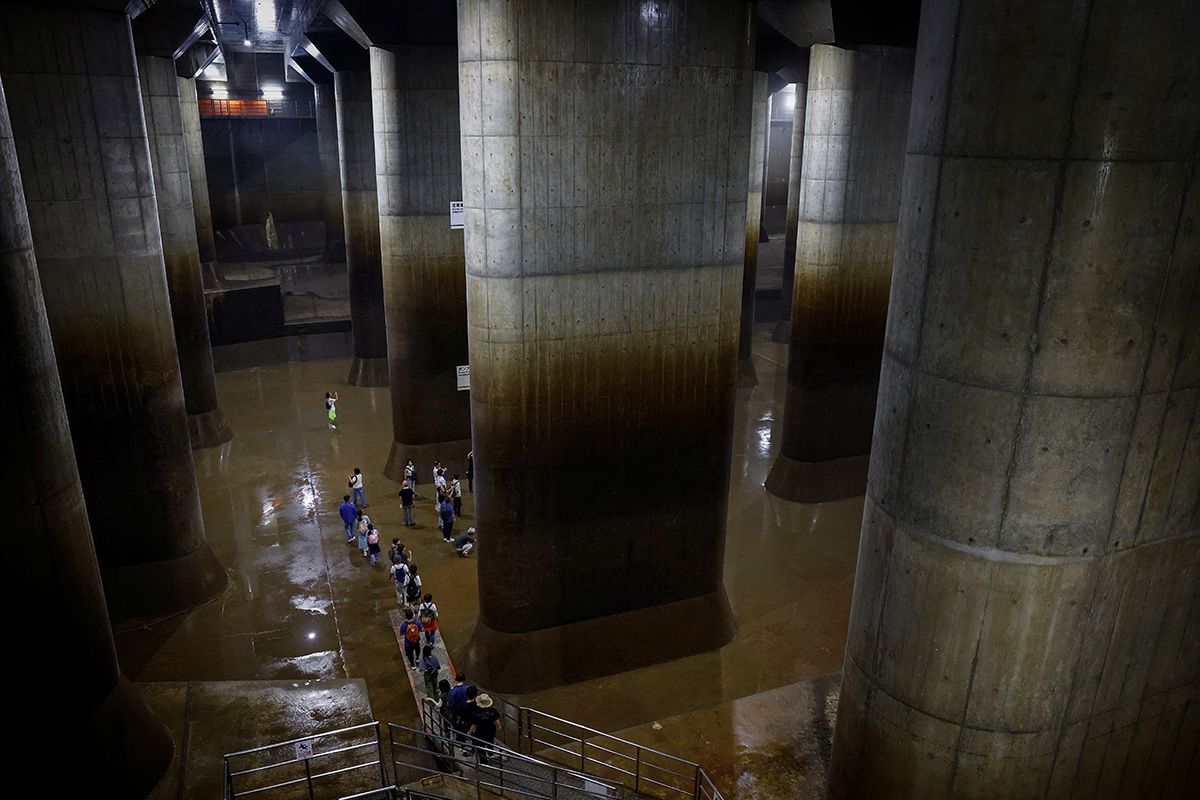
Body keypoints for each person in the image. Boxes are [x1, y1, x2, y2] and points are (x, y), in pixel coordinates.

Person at [468, 693, 501, 765]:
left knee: (481, 746)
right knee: (490, 741)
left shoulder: (476, 714)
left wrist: (469, 733)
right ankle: (490, 753)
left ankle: (483, 761)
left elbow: (474, 725)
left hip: (480, 731)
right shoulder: (493, 711)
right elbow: (496, 720)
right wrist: (498, 726)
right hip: (490, 729)